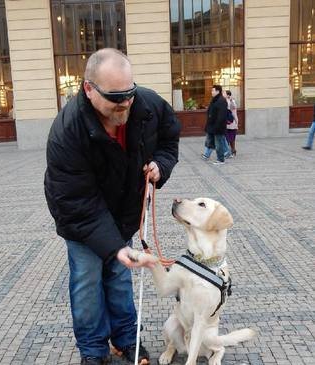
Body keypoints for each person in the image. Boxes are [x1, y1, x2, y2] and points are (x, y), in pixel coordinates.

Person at [44, 48, 181, 365]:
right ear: (89, 89)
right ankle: (93, 351)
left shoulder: (145, 104)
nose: (125, 104)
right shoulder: (67, 131)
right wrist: (114, 248)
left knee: (120, 279)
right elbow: (77, 202)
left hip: (122, 214)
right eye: (115, 97)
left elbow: (169, 138)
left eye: (129, 94)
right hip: (81, 219)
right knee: (87, 282)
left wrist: (161, 164)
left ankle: (126, 340)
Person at [201, 85, 228, 164]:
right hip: (212, 126)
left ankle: (220, 159)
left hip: (218, 127)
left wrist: (217, 126)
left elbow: (221, 115)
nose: (211, 92)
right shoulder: (215, 100)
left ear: (218, 91)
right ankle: (208, 155)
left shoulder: (221, 100)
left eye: (213, 90)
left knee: (219, 143)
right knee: (213, 142)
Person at [225, 90, 239, 156]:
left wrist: (230, 101)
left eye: (224, 93)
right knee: (227, 138)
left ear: (228, 95)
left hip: (232, 122)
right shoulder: (225, 101)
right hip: (227, 122)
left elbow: (233, 107)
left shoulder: (232, 101)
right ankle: (229, 151)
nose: (223, 94)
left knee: (232, 138)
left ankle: (233, 150)